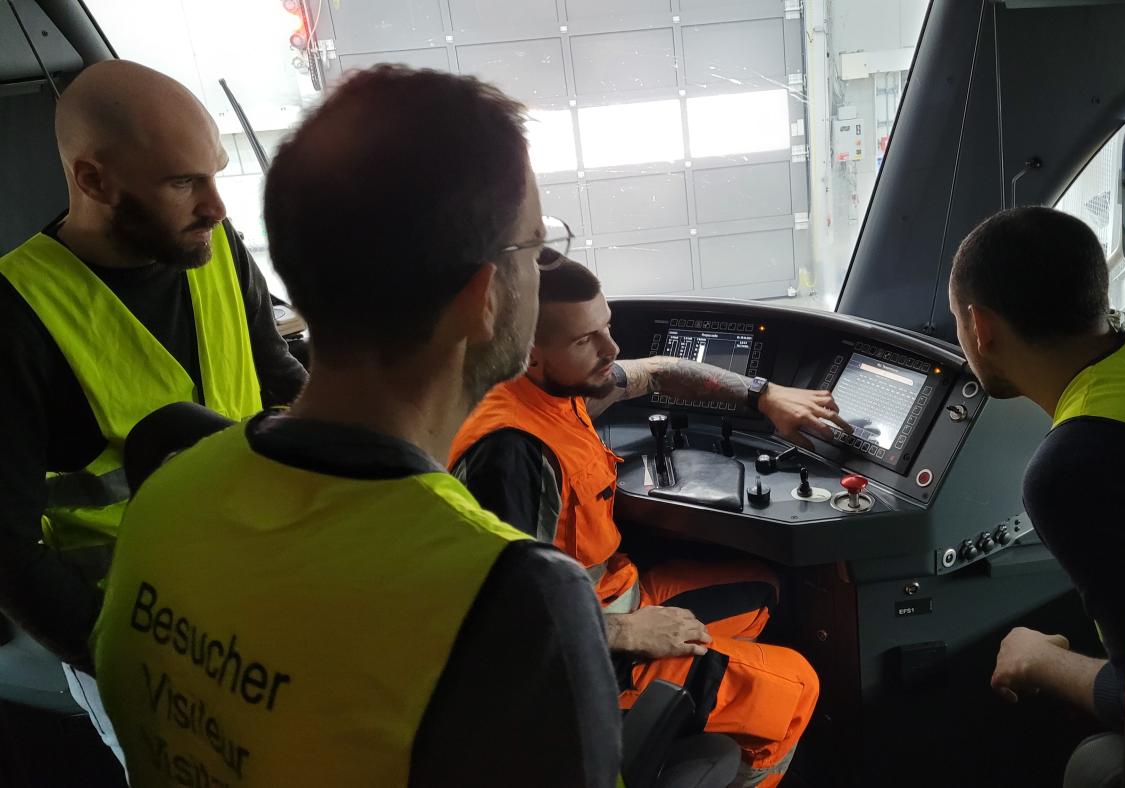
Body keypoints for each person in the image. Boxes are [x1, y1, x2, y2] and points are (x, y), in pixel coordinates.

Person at [91, 66, 621, 786]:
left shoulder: (169, 489)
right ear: (483, 296)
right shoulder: (510, 595)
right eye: (534, 248)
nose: (541, 267)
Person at [0, 59, 305, 766]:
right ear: (93, 181)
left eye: (214, 173)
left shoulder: (215, 250)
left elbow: (277, 375)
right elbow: (8, 554)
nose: (217, 207)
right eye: (182, 182)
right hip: (139, 639)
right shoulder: (14, 318)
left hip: (267, 597)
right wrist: (129, 659)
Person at [451, 253, 836, 787]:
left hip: (612, 598)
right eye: (587, 339)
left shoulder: (556, 388)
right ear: (529, 354)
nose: (612, 349)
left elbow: (655, 372)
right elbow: (502, 630)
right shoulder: (512, 454)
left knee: (765, 590)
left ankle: (696, 718)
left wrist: (764, 396)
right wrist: (629, 631)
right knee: (796, 686)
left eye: (606, 327)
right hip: (579, 661)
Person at [947, 206, 1125, 784]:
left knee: (1092, 766)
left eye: (957, 323)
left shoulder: (1072, 468)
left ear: (981, 328)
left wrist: (1039, 659)